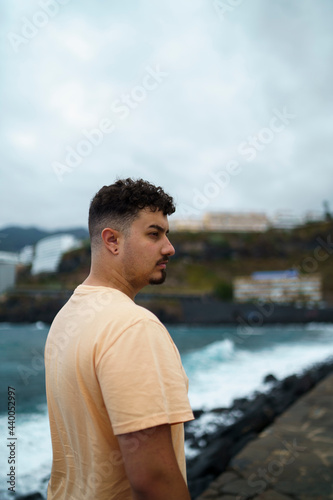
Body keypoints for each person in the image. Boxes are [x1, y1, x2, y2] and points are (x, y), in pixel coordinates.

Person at [45, 178, 194, 500]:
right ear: (112, 241)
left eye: (166, 234)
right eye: (154, 234)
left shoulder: (66, 318)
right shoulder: (133, 326)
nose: (169, 247)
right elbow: (153, 479)